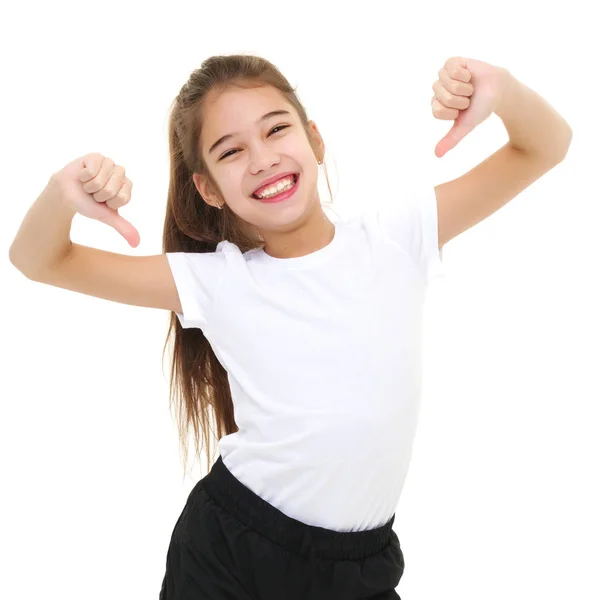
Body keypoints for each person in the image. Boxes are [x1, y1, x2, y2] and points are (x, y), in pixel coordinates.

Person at [9, 54, 447, 599]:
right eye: (231, 151)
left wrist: (499, 93)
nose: (262, 159)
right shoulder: (220, 281)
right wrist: (62, 191)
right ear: (209, 188)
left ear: (314, 139)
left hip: (361, 565)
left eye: (276, 129)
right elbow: (38, 260)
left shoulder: (396, 237)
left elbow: (542, 146)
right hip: (233, 555)